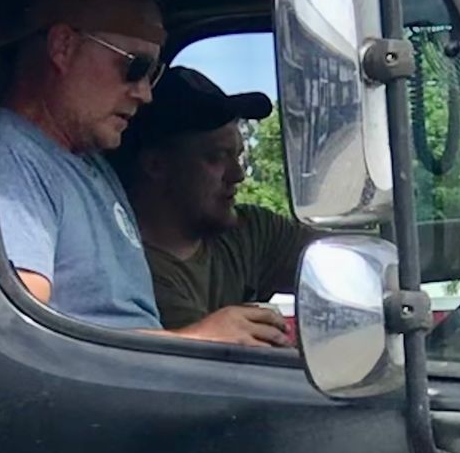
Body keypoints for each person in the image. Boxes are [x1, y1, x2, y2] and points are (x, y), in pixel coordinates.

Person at [0, 0, 294, 346]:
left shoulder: (88, 163)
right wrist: (196, 340)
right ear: (63, 46)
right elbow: (16, 335)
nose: (144, 93)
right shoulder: (11, 158)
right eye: (134, 67)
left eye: (153, 74)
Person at [114, 66, 314, 347]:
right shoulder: (131, 273)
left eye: (238, 156)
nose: (238, 174)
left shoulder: (249, 232)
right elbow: (216, 362)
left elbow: (341, 267)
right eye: (217, 157)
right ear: (156, 165)